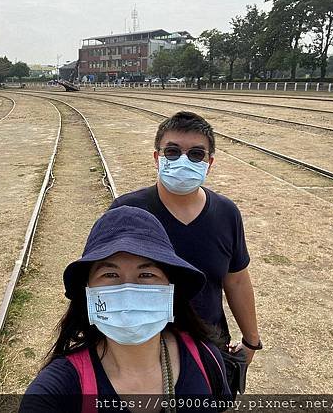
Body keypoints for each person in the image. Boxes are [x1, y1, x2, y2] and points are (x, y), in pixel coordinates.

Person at [21, 206, 230, 413]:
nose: (128, 290)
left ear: (170, 288)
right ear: (87, 291)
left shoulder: (206, 358)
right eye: (110, 275)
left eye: (147, 274)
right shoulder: (55, 394)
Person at [110, 112, 260, 397]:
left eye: (195, 154)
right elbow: (103, 282)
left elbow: (237, 280)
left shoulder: (226, 214)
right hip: (139, 353)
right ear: (157, 158)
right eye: (173, 151)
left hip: (208, 348)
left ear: (209, 163)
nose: (183, 160)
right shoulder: (126, 213)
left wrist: (251, 340)